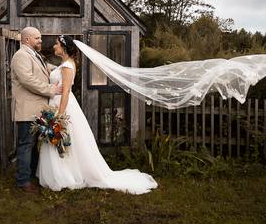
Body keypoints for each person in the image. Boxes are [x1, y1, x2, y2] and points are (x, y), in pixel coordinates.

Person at [37, 35, 158, 195]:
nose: (54, 47)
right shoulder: (64, 64)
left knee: (63, 138)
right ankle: (60, 173)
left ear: (64, 48)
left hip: (62, 104)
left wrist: (60, 114)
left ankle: (64, 175)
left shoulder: (67, 66)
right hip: (56, 102)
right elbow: (57, 79)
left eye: (56, 44)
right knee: (61, 140)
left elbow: (65, 91)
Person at [10, 27, 62, 194]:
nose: (40, 41)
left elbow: (43, 72)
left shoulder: (35, 55)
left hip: (38, 109)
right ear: (27, 40)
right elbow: (28, 80)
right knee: (26, 145)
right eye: (37, 38)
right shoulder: (20, 56)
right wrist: (51, 89)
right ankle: (23, 182)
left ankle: (31, 175)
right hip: (27, 108)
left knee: (33, 146)